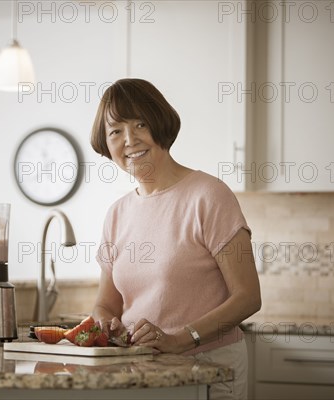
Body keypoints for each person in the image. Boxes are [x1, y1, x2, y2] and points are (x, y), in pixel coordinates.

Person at [90, 78, 261, 400]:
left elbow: (248, 297)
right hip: (140, 371)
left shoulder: (208, 196)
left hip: (209, 367)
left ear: (160, 125)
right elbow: (105, 304)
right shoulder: (117, 213)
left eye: (140, 124)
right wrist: (104, 324)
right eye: (115, 131)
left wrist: (180, 339)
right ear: (105, 143)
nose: (129, 140)